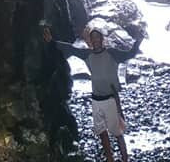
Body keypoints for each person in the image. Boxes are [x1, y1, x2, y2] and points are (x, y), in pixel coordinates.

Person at [43, 23, 142, 162]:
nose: (95, 40)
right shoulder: (87, 54)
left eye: (97, 37)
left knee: (117, 132)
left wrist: (138, 40)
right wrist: (52, 41)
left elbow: (130, 54)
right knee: (101, 132)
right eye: (92, 38)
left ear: (102, 39)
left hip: (110, 99)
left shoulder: (112, 53)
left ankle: (125, 158)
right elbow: (70, 48)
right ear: (90, 41)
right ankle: (109, 158)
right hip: (96, 99)